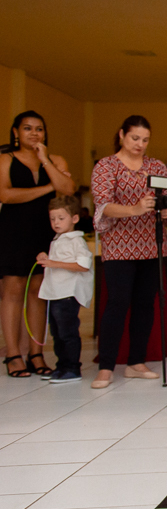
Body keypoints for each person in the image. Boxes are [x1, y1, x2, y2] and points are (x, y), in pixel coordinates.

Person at [90, 115, 167, 389]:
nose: (140, 144)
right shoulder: (106, 166)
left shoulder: (156, 166)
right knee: (117, 303)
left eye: (145, 140)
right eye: (135, 138)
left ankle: (136, 362)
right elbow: (103, 206)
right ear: (122, 135)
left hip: (151, 244)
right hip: (119, 245)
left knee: (145, 304)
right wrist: (135, 209)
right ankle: (106, 367)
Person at [0, 110, 75, 378]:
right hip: (13, 231)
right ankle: (13, 355)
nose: (34, 133)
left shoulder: (54, 159)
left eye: (39, 129)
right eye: (27, 128)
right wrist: (48, 187)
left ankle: (36, 353)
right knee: (12, 291)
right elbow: (5, 195)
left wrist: (45, 161)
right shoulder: (5, 159)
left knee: (38, 292)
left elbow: (67, 189)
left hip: (45, 232)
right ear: (15, 132)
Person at [35, 196, 93, 383]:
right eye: (52, 219)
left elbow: (83, 265)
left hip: (67, 294)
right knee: (57, 333)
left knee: (68, 333)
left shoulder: (77, 241)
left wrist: (54, 263)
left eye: (61, 218)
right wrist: (45, 257)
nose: (56, 223)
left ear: (74, 219)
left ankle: (72, 368)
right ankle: (62, 366)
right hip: (55, 293)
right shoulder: (57, 239)